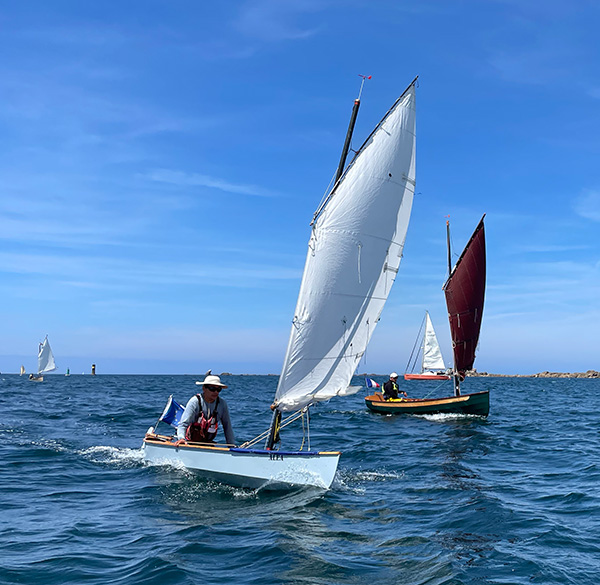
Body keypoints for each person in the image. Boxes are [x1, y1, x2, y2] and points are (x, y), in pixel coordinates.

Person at [175, 373, 235, 445]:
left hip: (208, 444)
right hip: (189, 443)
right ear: (204, 388)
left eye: (218, 389)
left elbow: (227, 427)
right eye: (212, 389)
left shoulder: (222, 404)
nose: (216, 392)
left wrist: (232, 446)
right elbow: (183, 424)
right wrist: (181, 438)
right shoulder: (195, 401)